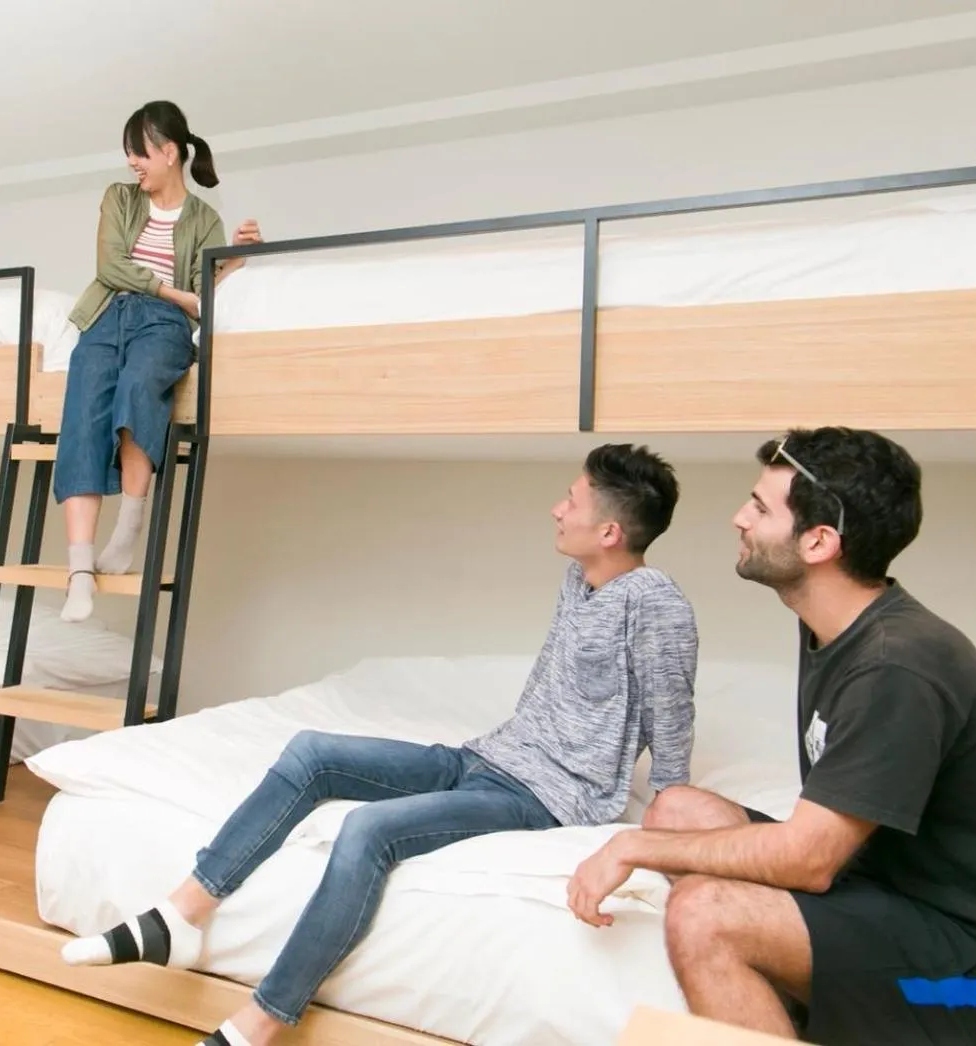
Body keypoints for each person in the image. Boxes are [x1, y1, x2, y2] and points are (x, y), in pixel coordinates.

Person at [63, 444, 699, 1046]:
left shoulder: (656, 605)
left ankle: (260, 1022)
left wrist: (668, 826)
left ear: (611, 531)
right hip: (488, 757)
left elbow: (671, 720)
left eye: (572, 500)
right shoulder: (577, 578)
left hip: (548, 795)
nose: (558, 509)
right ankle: (179, 917)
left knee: (367, 831)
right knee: (311, 753)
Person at [567, 426, 976, 1045]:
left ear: (818, 542)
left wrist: (629, 848)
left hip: (968, 987)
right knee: (675, 808)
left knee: (704, 914)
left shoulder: (897, 664)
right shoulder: (839, 628)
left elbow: (808, 860)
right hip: (879, 899)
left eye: (759, 507)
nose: (738, 518)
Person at [54, 99, 262, 623]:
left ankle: (127, 530)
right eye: (129, 154)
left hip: (162, 327)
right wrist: (174, 291)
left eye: (140, 153)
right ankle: (79, 570)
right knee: (83, 414)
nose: (133, 163)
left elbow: (202, 295)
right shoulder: (119, 199)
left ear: (170, 153)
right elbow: (110, 266)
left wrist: (230, 261)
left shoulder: (204, 219)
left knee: (139, 388)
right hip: (106, 315)